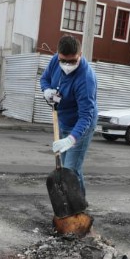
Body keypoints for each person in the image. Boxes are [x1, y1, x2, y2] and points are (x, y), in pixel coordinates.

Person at [39, 35, 98, 196]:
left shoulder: (85, 79)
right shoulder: (54, 61)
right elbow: (44, 79)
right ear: (58, 54)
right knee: (67, 169)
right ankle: (75, 204)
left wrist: (71, 139)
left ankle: (77, 210)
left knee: (71, 169)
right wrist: (46, 90)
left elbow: (86, 116)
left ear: (80, 55)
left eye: (72, 61)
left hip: (81, 126)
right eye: (63, 60)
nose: (67, 65)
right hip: (62, 121)